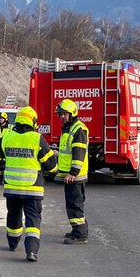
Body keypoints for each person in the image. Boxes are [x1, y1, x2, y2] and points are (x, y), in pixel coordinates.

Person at [0, 106, 57, 261]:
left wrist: (1, 164)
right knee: (33, 218)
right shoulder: (37, 138)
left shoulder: (7, 137)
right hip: (33, 188)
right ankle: (32, 251)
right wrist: (53, 170)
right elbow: (51, 166)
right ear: (33, 122)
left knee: (13, 215)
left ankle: (13, 243)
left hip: (12, 187)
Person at [55, 99, 90, 245]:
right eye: (60, 114)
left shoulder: (78, 129)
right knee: (74, 204)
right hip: (70, 176)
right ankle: (78, 230)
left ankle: (80, 235)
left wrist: (73, 173)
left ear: (72, 113)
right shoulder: (69, 128)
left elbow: (78, 153)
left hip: (75, 177)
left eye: (65, 114)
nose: (62, 117)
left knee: (75, 205)